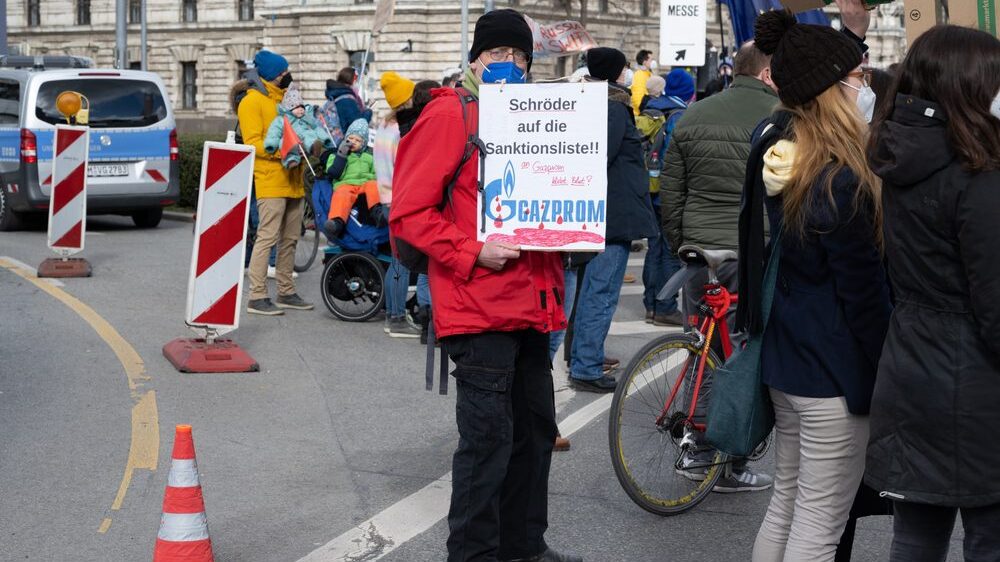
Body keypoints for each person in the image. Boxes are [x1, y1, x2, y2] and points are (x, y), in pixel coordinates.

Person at [390, 9, 580, 562]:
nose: (511, 65)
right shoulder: (450, 114)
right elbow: (408, 213)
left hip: (533, 306)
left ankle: (525, 548)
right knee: (488, 445)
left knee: (534, 438)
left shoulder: (536, 116)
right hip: (478, 306)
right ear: (475, 59)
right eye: (499, 55)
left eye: (521, 57)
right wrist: (473, 251)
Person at [735, 11, 892, 561]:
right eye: (857, 76)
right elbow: (865, 296)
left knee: (786, 507)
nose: (864, 85)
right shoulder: (839, 177)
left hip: (788, 360)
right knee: (819, 526)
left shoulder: (785, 158)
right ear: (831, 89)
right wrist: (884, 374)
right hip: (834, 372)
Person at [865, 25, 1000, 562]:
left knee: (917, 534)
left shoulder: (902, 157)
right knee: (990, 538)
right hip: (976, 382)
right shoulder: (978, 176)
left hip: (911, 363)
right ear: (971, 85)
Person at [568, 47, 659, 394]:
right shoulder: (613, 108)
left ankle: (583, 357)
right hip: (611, 215)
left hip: (599, 213)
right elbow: (599, 157)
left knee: (589, 292)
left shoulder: (591, 102)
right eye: (623, 70)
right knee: (600, 293)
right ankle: (586, 365)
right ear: (616, 72)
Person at [238, 49, 313, 316]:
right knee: (267, 238)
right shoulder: (252, 102)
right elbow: (252, 143)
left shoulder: (286, 100)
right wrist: (283, 149)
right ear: (270, 75)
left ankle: (286, 290)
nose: (286, 76)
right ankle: (257, 296)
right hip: (270, 179)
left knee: (291, 239)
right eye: (282, 73)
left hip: (293, 178)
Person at [636, 69, 693, 326]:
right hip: (667, 194)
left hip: (649, 188)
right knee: (670, 252)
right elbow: (676, 160)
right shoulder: (678, 115)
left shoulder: (652, 110)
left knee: (654, 248)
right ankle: (666, 306)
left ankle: (650, 304)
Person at [374, 71, 422, 338]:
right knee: (401, 261)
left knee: (397, 260)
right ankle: (396, 318)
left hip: (385, 197)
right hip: (397, 198)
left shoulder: (384, 126)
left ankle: (394, 315)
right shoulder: (399, 130)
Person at [395, 79, 441, 343]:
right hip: (426, 199)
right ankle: (431, 321)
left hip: (408, 198)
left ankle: (426, 321)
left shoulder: (405, 123)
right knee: (429, 266)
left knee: (423, 268)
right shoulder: (429, 123)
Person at [322, 119, 385, 241]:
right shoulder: (336, 155)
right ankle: (337, 222)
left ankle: (378, 212)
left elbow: (376, 174)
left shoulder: (369, 157)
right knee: (341, 194)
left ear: (363, 143)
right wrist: (342, 155)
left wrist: (374, 179)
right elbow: (334, 173)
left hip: (364, 185)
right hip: (346, 184)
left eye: (358, 140)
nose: (353, 142)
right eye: (350, 138)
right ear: (346, 138)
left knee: (373, 186)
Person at [264, 84, 334, 168]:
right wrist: (271, 144)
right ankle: (291, 160)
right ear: (288, 109)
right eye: (297, 107)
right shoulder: (282, 119)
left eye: (302, 107)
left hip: (305, 141)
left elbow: (316, 128)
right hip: (291, 139)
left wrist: (325, 139)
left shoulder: (306, 118)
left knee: (310, 134)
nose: (301, 110)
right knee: (284, 143)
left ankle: (313, 147)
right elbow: (274, 132)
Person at [323, 67, 373, 134]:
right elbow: (358, 126)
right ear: (352, 80)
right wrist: (368, 112)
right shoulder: (347, 100)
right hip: (344, 141)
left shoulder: (335, 95)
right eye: (356, 80)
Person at [631, 49, 656, 115]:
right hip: (642, 114)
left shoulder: (647, 73)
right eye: (651, 59)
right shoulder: (639, 75)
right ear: (644, 62)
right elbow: (637, 97)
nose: (653, 62)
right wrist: (645, 111)